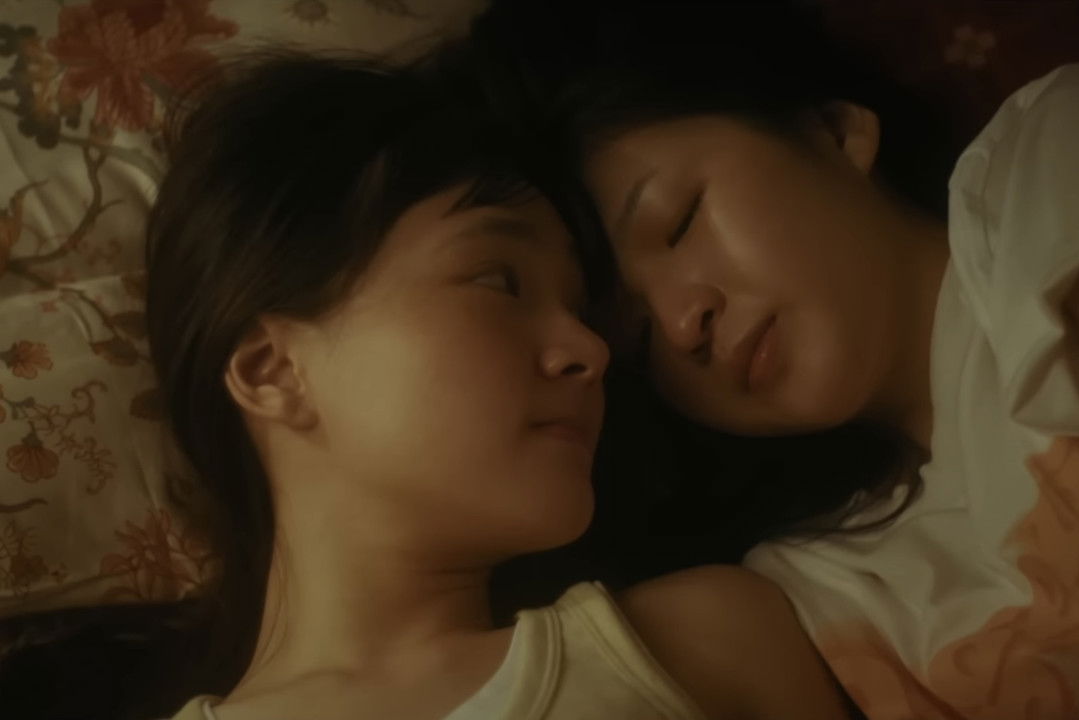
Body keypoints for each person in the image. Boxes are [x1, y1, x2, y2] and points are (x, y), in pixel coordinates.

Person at [465, 2, 1079, 719]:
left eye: (678, 222)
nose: (683, 324)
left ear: (834, 130)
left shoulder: (1063, 154)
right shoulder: (821, 583)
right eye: (639, 339)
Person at [0, 48, 856, 720]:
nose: (589, 351)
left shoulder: (704, 646)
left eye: (580, 310)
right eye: (497, 281)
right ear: (273, 370)